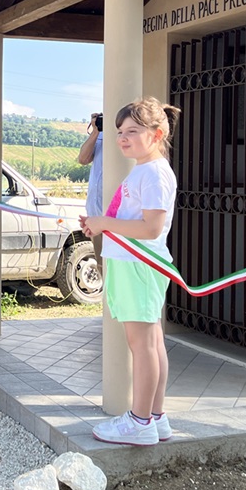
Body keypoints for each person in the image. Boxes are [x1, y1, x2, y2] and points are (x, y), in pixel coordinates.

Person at [79, 97, 180, 446]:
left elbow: (151, 228)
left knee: (143, 345)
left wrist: (105, 223)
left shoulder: (153, 173)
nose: (122, 138)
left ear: (157, 134)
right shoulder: (146, 170)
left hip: (139, 266)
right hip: (134, 265)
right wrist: (100, 224)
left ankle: (140, 422)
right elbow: (133, 221)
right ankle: (155, 417)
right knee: (151, 342)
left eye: (133, 131)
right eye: (120, 131)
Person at [77, 111, 104, 261]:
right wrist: (95, 132)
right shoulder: (99, 134)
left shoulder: (123, 136)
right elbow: (83, 159)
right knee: (101, 265)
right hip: (95, 213)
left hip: (114, 218)